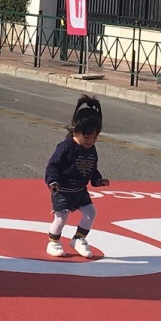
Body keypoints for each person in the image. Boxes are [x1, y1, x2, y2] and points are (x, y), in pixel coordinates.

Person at [43, 95, 110, 258]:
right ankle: (53, 242)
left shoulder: (91, 149)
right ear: (76, 131)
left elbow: (92, 168)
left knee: (90, 213)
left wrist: (98, 180)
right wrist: (52, 181)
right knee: (61, 218)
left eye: (95, 137)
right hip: (63, 190)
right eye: (87, 137)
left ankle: (79, 239)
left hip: (80, 191)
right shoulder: (66, 146)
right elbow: (53, 165)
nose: (90, 141)